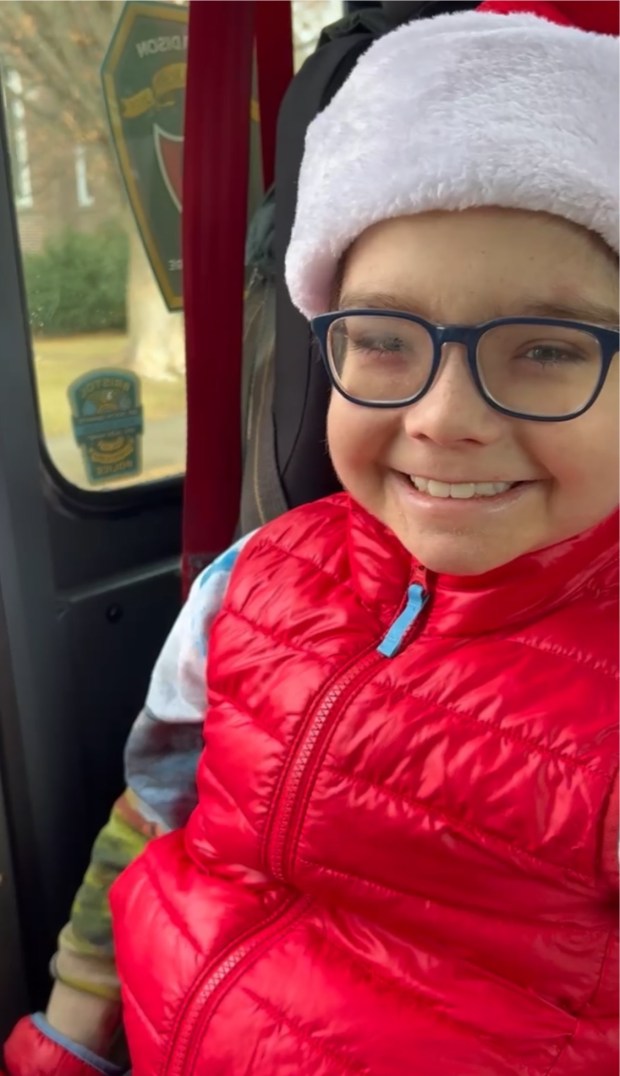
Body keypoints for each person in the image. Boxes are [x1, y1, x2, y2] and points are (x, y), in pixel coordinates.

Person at [4, 1, 619, 1072]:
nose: (440, 416)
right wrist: (70, 1024)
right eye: (382, 339)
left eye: (545, 350)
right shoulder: (250, 579)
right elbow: (151, 816)